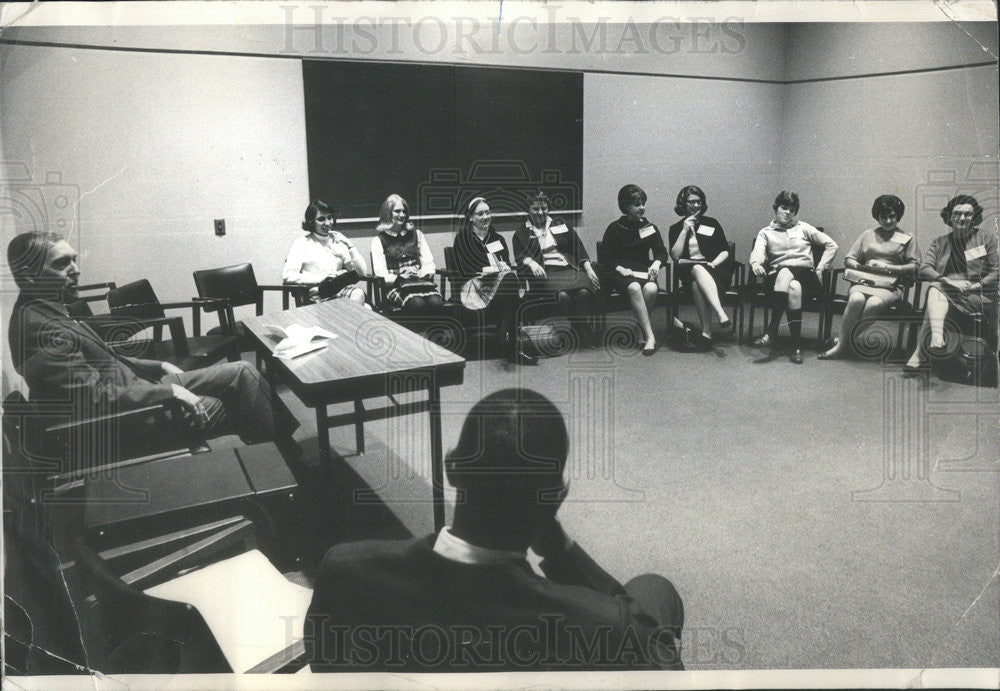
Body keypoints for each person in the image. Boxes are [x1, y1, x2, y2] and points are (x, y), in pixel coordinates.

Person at [306, 388, 684, 672]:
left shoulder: (344, 569)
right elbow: (663, 665)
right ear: (557, 495)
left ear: (452, 467)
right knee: (655, 590)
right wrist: (557, 547)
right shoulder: (602, 626)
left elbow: (325, 668)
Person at [6, 231, 296, 449]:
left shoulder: (45, 308)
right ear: (30, 276)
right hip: (131, 419)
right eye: (62, 264)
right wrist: (169, 393)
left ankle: (286, 452)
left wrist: (158, 366)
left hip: (136, 390)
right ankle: (285, 473)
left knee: (242, 372)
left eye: (74, 260)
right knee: (242, 404)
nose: (76, 269)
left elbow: (105, 357)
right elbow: (93, 401)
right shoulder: (37, 328)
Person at [903, 194, 999, 375]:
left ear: (974, 217)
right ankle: (935, 339)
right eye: (957, 214)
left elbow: (996, 272)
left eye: (967, 214)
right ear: (950, 216)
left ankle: (921, 351)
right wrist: (947, 280)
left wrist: (973, 286)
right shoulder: (939, 243)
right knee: (937, 287)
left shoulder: (986, 238)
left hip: (976, 296)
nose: (962, 218)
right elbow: (924, 269)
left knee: (934, 292)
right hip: (948, 293)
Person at [819, 195, 919, 360]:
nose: (887, 221)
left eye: (892, 216)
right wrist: (860, 267)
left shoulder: (908, 237)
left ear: (898, 216)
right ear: (877, 217)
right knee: (856, 299)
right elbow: (849, 259)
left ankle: (843, 343)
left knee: (874, 303)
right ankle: (843, 344)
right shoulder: (867, 234)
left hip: (890, 286)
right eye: (883, 217)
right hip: (865, 280)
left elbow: (914, 266)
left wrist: (888, 267)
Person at [748, 191, 838, 364]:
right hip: (778, 280)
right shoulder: (766, 232)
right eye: (784, 208)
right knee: (793, 287)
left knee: (786, 273)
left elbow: (832, 245)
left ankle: (771, 331)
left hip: (806, 276)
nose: (787, 212)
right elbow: (758, 253)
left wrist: (820, 268)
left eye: (792, 209)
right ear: (776, 208)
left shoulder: (804, 228)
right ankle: (796, 346)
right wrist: (756, 264)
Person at [452, 196, 536, 366]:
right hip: (474, 289)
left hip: (498, 289)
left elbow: (505, 263)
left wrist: (504, 268)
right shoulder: (462, 239)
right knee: (510, 286)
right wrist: (489, 271)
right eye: (480, 214)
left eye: (488, 213)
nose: (485, 217)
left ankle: (504, 334)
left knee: (510, 277)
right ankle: (512, 344)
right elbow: (463, 271)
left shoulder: (498, 239)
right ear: (471, 218)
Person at [513, 191, 600, 348]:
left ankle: (577, 327)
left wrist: (588, 268)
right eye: (536, 209)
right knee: (563, 296)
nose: (541, 212)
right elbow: (519, 257)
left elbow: (578, 247)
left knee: (584, 292)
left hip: (569, 268)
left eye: (544, 208)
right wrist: (531, 263)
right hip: (546, 274)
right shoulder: (521, 232)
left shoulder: (561, 224)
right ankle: (582, 329)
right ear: (528, 210)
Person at [599, 184, 668, 355]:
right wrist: (620, 268)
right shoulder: (614, 228)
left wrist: (656, 263)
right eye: (637, 204)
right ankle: (650, 336)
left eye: (643, 203)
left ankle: (638, 329)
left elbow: (661, 252)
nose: (642, 208)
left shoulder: (650, 227)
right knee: (635, 287)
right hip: (620, 273)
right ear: (626, 206)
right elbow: (605, 257)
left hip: (642, 271)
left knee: (652, 288)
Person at [667, 185, 734, 350]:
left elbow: (725, 251)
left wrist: (714, 263)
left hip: (716, 270)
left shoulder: (712, 223)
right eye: (691, 202)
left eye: (699, 202)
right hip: (691, 272)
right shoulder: (675, 228)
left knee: (698, 280)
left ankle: (707, 332)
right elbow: (675, 256)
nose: (696, 206)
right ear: (683, 204)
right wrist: (684, 230)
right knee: (696, 273)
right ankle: (720, 315)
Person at [283, 200, 368, 305]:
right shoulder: (301, 243)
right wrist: (321, 278)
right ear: (311, 222)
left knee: (361, 299)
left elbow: (362, 273)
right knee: (364, 307)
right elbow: (288, 275)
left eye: (329, 217)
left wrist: (350, 246)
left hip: (341, 292)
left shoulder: (338, 241)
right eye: (321, 219)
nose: (328, 223)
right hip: (316, 296)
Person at [370, 194, 444, 314]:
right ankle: (416, 333)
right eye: (397, 211)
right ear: (387, 213)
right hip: (396, 286)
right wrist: (400, 277)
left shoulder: (417, 234)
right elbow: (380, 273)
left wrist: (420, 273)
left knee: (436, 302)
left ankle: (433, 332)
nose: (402, 215)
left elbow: (429, 263)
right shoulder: (378, 240)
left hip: (419, 282)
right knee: (417, 304)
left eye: (404, 211)